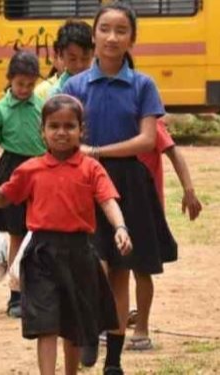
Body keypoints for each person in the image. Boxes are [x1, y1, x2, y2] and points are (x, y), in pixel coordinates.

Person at [0, 94, 130, 375]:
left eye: (70, 126)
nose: (62, 132)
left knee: (72, 326)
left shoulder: (91, 167)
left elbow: (108, 199)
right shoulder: (30, 169)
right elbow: (1, 199)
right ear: (43, 131)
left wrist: (120, 227)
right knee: (45, 324)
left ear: (81, 130)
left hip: (80, 253)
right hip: (41, 255)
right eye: (54, 126)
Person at [63, 3, 178, 373]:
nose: (112, 37)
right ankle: (89, 331)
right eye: (105, 29)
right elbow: (60, 135)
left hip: (128, 183)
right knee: (89, 265)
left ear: (132, 38)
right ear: (94, 34)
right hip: (82, 181)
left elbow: (147, 140)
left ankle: (113, 360)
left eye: (121, 31)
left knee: (120, 272)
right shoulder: (74, 85)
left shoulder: (143, 85)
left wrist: (96, 150)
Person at [125, 117, 203, 350]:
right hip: (113, 201)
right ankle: (114, 322)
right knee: (110, 267)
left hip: (144, 206)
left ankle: (142, 330)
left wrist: (189, 190)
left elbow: (174, 154)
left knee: (141, 268)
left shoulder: (148, 124)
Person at [0, 51, 46, 317]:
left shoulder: (42, 106)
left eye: (30, 85)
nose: (25, 90)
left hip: (41, 170)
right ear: (10, 80)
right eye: (20, 84)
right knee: (17, 233)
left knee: (42, 231)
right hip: (13, 171)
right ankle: (16, 295)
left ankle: (41, 293)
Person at [48, 20, 94, 97]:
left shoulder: (101, 82)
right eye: (72, 59)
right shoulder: (58, 93)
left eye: (85, 58)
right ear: (60, 54)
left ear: (93, 53)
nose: (79, 65)